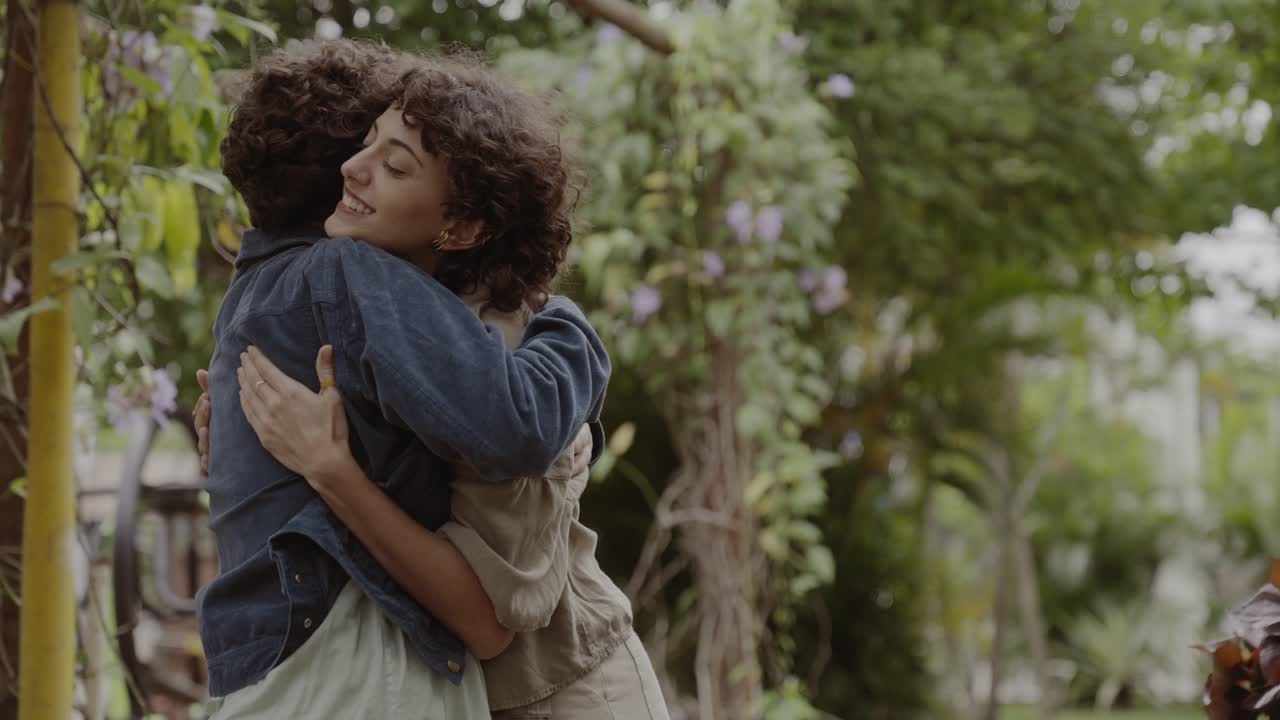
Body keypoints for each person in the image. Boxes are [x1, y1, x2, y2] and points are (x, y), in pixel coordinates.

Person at [198, 48, 670, 719]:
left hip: (566, 689)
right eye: (365, 146)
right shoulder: (356, 318)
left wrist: (570, 330)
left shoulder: (498, 346)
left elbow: (488, 610)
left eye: (394, 164)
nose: (355, 171)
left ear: (463, 223)